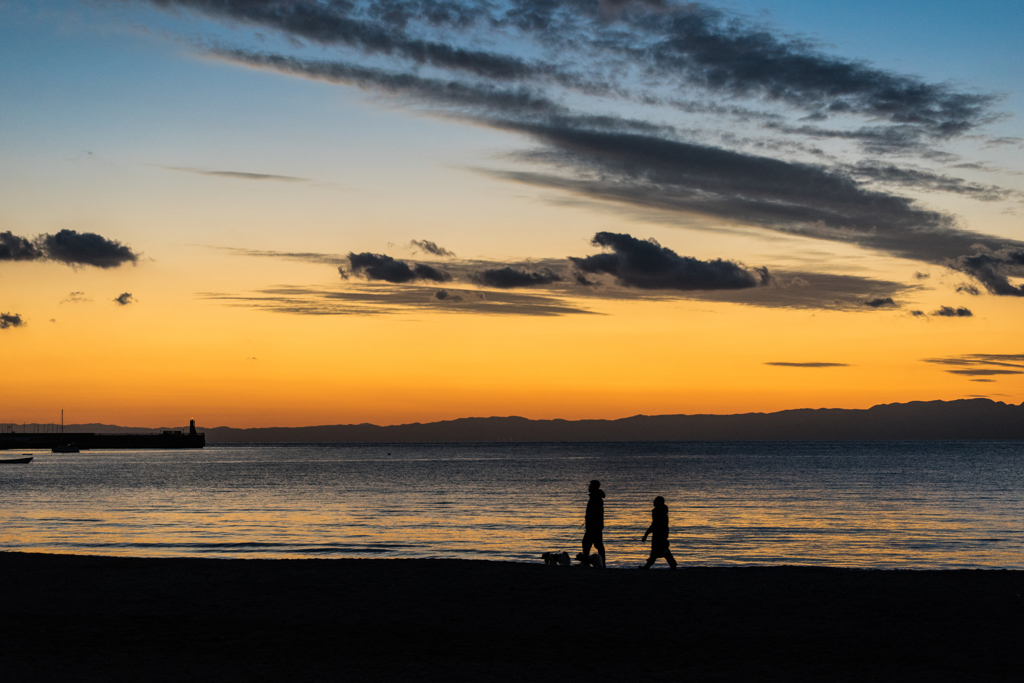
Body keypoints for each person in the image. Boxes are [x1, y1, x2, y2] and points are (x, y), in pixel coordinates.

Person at [641, 496, 677, 570]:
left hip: (659, 533)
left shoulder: (658, 511)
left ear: (659, 502)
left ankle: (672, 565)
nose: (653, 502)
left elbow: (655, 524)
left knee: (660, 550)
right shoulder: (663, 510)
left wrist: (646, 534)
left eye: (655, 501)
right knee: (659, 550)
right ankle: (648, 566)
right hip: (663, 532)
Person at [582, 480, 606, 566]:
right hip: (595, 526)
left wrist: (589, 519)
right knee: (597, 545)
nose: (588, 487)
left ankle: (586, 563)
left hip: (594, 526)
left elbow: (595, 512)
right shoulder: (595, 497)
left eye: (590, 486)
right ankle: (601, 563)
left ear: (594, 487)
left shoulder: (596, 498)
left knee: (587, 544)